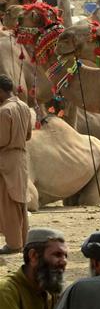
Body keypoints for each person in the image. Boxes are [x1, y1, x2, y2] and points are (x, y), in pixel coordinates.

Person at [0, 73, 31, 255]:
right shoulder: (24, 107)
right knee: (20, 202)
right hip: (21, 158)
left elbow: (2, 139)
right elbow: (28, 135)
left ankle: (13, 244)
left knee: (7, 203)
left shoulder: (4, 111)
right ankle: (23, 240)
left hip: (6, 160)